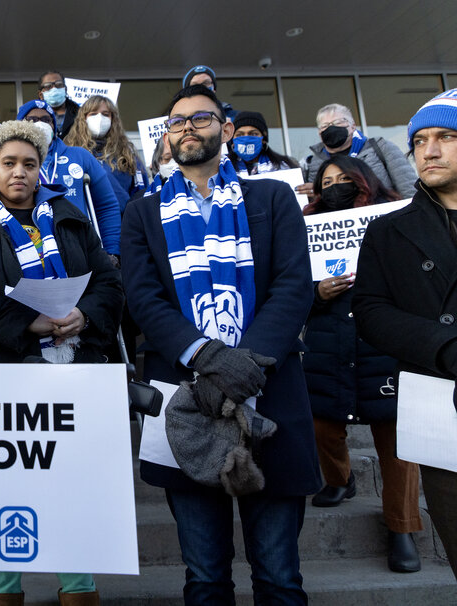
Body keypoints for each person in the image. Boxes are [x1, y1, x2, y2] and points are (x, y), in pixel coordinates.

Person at [121, 85, 320, 604]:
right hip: (185, 402)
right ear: (167, 137)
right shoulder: (141, 213)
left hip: (268, 392)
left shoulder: (272, 197)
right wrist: (207, 357)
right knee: (205, 576)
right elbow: (143, 298)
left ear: (226, 130)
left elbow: (293, 286)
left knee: (279, 576)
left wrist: (244, 364)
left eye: (201, 118)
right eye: (177, 121)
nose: (187, 128)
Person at [0, 120, 122, 606]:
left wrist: (84, 314)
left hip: (75, 368)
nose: (19, 172)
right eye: (8, 163)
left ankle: (79, 589)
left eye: (29, 164)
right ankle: (1, 592)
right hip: (7, 374)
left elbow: (108, 283)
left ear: (41, 168)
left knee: (72, 483)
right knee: (3, 486)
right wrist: (22, 323)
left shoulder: (70, 214)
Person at [352, 88, 457, 580]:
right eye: (419, 141)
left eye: (446, 137)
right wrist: (444, 346)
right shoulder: (388, 231)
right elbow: (371, 312)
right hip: (440, 407)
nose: (428, 151)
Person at [300, 155, 422, 572]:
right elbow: (288, 288)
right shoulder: (305, 228)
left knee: (397, 442)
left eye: (343, 179)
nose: (335, 186)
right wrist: (316, 292)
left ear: (364, 180)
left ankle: (402, 526)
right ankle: (339, 479)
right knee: (322, 425)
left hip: (382, 343)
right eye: (326, 182)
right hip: (328, 345)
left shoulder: (396, 222)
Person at [16, 100, 124, 257]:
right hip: (32, 251)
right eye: (32, 120)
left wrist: (111, 251)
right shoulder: (13, 163)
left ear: (54, 126)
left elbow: (106, 206)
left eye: (46, 120)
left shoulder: (80, 156)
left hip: (79, 248)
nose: (40, 124)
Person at [299, 103, 417, 198]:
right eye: (325, 126)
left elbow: (408, 187)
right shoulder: (311, 165)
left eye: (338, 122)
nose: (331, 128)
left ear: (353, 126)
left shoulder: (380, 148)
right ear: (319, 132)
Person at [65, 94, 149, 206]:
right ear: (83, 119)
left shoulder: (127, 153)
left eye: (105, 114)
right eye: (93, 114)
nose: (99, 118)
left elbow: (141, 193)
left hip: (123, 215)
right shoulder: (71, 152)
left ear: (113, 119)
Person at [227, 110, 299, 175]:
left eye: (253, 134)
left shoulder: (284, 166)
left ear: (264, 139)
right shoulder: (224, 167)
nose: (246, 139)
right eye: (239, 135)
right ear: (232, 140)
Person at [37, 70, 79, 139]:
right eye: (48, 86)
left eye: (59, 85)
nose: (54, 89)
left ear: (65, 90)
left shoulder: (79, 114)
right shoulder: (34, 117)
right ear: (40, 95)